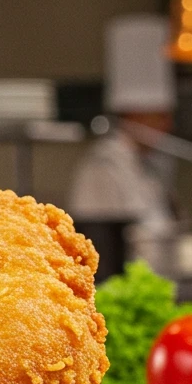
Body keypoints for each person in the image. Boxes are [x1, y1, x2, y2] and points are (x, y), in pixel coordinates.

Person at [69, 14, 177, 231]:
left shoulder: (148, 167)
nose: (167, 126)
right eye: (160, 117)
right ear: (134, 115)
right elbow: (98, 242)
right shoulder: (102, 168)